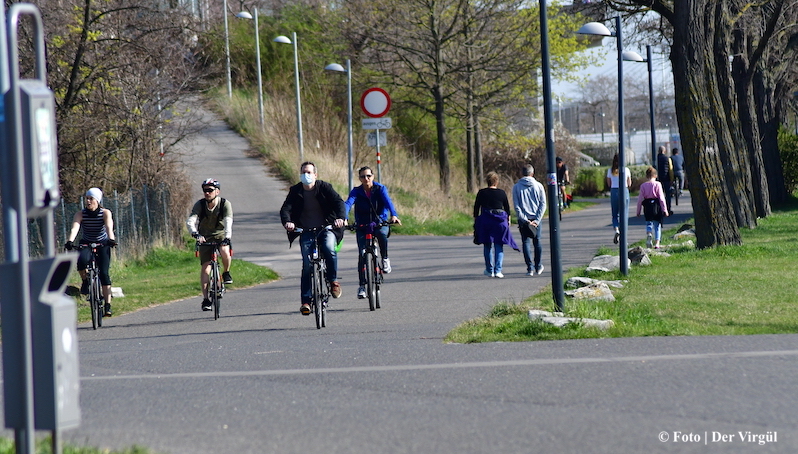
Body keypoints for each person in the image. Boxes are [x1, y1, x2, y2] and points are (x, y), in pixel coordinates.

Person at [280, 162, 346, 315]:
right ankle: (306, 301)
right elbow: (286, 209)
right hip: (306, 231)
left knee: (329, 249)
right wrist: (288, 222)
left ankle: (333, 281)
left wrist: (341, 218)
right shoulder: (295, 191)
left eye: (309, 172)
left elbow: (338, 203)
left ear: (315, 175)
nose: (306, 175)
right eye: (303, 172)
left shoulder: (324, 187)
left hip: (326, 228)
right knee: (307, 265)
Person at [345, 166, 402, 299]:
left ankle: (385, 258)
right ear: (359, 178)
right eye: (363, 177)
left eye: (368, 176)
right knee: (362, 254)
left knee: (382, 234)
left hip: (379, 222)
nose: (366, 179)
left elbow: (389, 203)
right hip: (362, 224)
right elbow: (348, 204)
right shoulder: (356, 191)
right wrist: (344, 217)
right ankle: (362, 286)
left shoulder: (380, 189)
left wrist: (393, 215)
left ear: (373, 176)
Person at [65, 188, 117, 317]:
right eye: (86, 198)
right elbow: (75, 227)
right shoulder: (81, 214)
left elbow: (109, 226)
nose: (88, 201)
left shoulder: (105, 213)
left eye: (91, 199)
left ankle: (107, 305)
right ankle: (85, 281)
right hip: (86, 242)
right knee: (81, 262)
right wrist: (70, 241)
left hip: (103, 243)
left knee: (104, 273)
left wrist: (111, 239)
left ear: (97, 201)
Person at [186, 178, 234, 311]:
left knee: (224, 252)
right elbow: (191, 221)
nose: (207, 193)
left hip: (220, 236)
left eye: (210, 190)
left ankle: (226, 273)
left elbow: (228, 221)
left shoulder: (224, 204)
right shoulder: (200, 205)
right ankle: (206, 299)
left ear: (217, 191)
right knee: (206, 269)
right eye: (205, 190)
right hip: (204, 238)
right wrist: (195, 234)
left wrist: (227, 237)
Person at [474, 171, 518, 278]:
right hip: (500, 221)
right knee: (499, 245)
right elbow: (507, 209)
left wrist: (477, 220)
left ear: (487, 181)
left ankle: (489, 270)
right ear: (496, 182)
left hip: (486, 220)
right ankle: (498, 270)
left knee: (487, 245)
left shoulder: (481, 192)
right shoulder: (502, 193)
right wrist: (508, 221)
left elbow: (476, 208)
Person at [513, 164, 547, 276]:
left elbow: (517, 206)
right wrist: (537, 220)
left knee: (526, 242)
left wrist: (524, 219)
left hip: (524, 220)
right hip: (536, 219)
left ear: (522, 173)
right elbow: (543, 204)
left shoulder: (516, 187)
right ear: (532, 173)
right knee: (537, 242)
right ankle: (538, 266)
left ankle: (529, 268)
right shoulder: (538, 186)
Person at [636, 166, 670, 249]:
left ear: (647, 176)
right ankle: (657, 243)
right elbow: (661, 198)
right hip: (656, 206)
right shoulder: (658, 184)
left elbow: (640, 199)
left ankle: (649, 234)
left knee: (649, 223)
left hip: (647, 206)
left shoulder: (643, 186)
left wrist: (638, 211)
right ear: (655, 175)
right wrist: (665, 210)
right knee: (657, 225)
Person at [606, 153, 631, 244]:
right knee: (624, 215)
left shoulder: (610, 171)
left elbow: (609, 184)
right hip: (624, 191)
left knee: (615, 214)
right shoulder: (626, 170)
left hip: (614, 191)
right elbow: (629, 183)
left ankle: (616, 229)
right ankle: (624, 238)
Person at [656, 146, 674, 214]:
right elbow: (670, 169)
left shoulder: (656, 158)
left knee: (659, 195)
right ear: (664, 151)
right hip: (666, 178)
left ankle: (659, 209)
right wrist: (671, 179)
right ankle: (668, 209)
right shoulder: (667, 158)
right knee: (667, 194)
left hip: (658, 179)